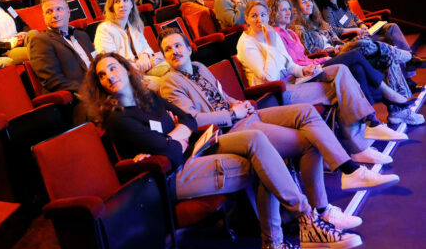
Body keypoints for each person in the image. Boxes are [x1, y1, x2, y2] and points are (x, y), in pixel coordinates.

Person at [83, 52, 363, 249]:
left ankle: (297, 228)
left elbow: (190, 119)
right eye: (102, 75)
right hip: (172, 176)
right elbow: (169, 154)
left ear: (125, 69)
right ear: (100, 85)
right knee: (261, 162)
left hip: (195, 150)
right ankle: (296, 227)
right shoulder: (118, 118)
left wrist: (177, 136)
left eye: (112, 68)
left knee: (256, 140)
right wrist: (177, 138)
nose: (109, 76)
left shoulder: (149, 98)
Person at [158, 28, 399, 223]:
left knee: (305, 112)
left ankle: (350, 171)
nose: (174, 51)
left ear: (189, 48)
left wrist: (238, 103)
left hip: (244, 115)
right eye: (167, 50)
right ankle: (324, 208)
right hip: (227, 131)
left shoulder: (200, 67)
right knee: (307, 142)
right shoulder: (170, 82)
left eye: (178, 46)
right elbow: (193, 119)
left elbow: (221, 96)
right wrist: (231, 112)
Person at [236, 0, 400, 163]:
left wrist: (303, 70)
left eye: (263, 15)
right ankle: (360, 145)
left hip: (294, 79)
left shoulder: (269, 34)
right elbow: (270, 77)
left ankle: (371, 124)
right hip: (275, 92)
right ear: (246, 18)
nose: (259, 20)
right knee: (340, 90)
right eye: (254, 16)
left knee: (341, 70)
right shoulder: (246, 43)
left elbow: (289, 64)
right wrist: (271, 45)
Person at [288, 0, 422, 126]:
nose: (308, 3)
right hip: (330, 58)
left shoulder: (320, 22)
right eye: (303, 2)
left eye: (309, 0)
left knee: (386, 57)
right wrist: (333, 50)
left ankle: (398, 112)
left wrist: (343, 44)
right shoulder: (298, 29)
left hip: (341, 51)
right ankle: (408, 57)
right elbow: (309, 51)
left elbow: (336, 40)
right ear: (296, 7)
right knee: (362, 44)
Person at [29, 0, 96, 123]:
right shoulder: (40, 41)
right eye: (49, 11)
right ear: (44, 17)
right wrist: (88, 89)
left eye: (59, 9)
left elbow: (96, 62)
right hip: (76, 101)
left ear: (68, 12)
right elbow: (53, 81)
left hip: (98, 90)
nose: (55, 15)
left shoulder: (82, 35)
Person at [312, 0, 415, 54]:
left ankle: (409, 56)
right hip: (353, 38)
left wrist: (362, 25)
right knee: (388, 42)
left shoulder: (342, 3)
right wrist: (355, 30)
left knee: (392, 26)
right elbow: (334, 29)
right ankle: (408, 60)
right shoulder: (327, 9)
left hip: (362, 31)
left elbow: (355, 17)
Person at [93, 0, 169, 89]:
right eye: (117, 1)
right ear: (112, 6)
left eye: (125, 0)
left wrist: (145, 55)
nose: (122, 5)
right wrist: (139, 66)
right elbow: (111, 64)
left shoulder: (133, 24)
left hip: (146, 67)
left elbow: (146, 47)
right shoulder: (104, 29)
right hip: (127, 75)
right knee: (163, 84)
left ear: (131, 4)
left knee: (176, 71)